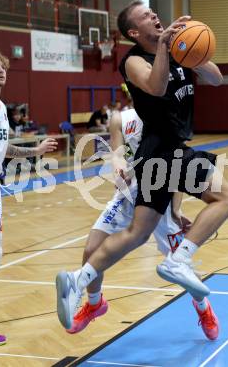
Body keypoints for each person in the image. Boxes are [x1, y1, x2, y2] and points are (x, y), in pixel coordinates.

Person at [55, 1, 228, 337]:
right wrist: (168, 48)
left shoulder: (178, 50)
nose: (155, 15)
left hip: (163, 153)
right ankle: (178, 260)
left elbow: (216, 78)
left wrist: (192, 48)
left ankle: (77, 280)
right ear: (134, 32)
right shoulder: (134, 61)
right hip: (163, 150)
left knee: (137, 233)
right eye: (145, 16)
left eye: (154, 12)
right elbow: (156, 87)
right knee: (227, 197)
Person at [66, 106, 219, 339]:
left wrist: (176, 208)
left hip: (160, 197)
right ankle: (95, 303)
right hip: (130, 194)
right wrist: (117, 166)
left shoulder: (169, 115)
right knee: (91, 249)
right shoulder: (120, 118)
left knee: (181, 266)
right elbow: (117, 154)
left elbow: (177, 165)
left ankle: (203, 308)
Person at [0, 49, 58, 346]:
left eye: (2, 67)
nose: (0, 71)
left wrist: (34, 151)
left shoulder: (2, 108)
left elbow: (4, 149)